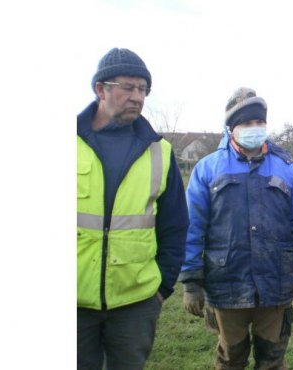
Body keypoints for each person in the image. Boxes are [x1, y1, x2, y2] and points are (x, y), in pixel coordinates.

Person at [180, 87, 293, 370]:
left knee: (272, 360)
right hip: (226, 282)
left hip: (275, 281)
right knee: (231, 359)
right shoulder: (207, 169)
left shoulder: (287, 168)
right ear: (231, 128)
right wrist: (191, 281)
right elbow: (191, 227)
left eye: (259, 122)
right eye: (246, 123)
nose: (255, 128)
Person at [77, 48, 189, 369]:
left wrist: (161, 289)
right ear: (101, 89)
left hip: (135, 304)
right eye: (128, 87)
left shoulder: (160, 151)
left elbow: (175, 226)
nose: (137, 97)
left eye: (143, 90)